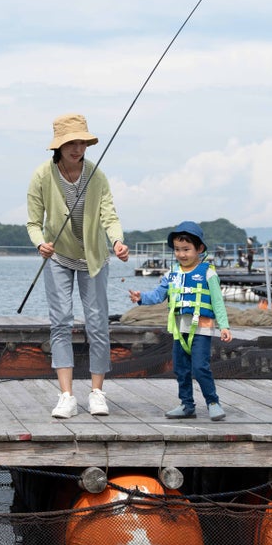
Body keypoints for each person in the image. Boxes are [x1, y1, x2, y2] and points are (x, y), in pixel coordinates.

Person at [26, 113, 130, 418]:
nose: (77, 148)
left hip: (93, 258)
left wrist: (117, 242)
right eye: (71, 142)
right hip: (57, 256)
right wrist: (39, 243)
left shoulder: (96, 175)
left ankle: (97, 392)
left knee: (97, 322)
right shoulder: (42, 176)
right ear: (58, 146)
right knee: (60, 322)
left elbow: (109, 215)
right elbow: (34, 222)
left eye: (82, 142)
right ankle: (67, 395)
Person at [128, 220, 232, 421]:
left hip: (201, 329)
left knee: (200, 367)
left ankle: (213, 402)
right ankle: (187, 405)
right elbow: (159, 295)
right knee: (180, 368)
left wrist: (224, 326)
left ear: (199, 248)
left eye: (186, 249)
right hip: (178, 329)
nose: (181, 254)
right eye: (177, 249)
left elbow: (218, 301)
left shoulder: (208, 272)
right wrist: (141, 298)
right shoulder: (172, 273)